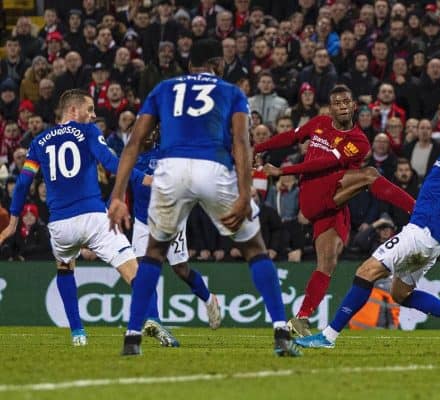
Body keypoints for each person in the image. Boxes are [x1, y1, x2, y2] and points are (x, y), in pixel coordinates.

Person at [108, 39, 301, 357]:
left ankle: (132, 339)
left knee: (153, 254)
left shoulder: (164, 88)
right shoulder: (231, 91)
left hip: (170, 169)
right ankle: (281, 332)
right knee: (255, 249)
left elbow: (133, 144)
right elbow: (241, 142)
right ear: (219, 65)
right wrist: (244, 192)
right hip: (213, 166)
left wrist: (117, 196)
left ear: (188, 66)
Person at [295, 98, 440, 350]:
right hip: (432, 237)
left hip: (422, 231)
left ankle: (328, 336)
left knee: (366, 272)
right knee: (400, 294)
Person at [0, 89, 175, 347]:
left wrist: (13, 222)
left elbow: (24, 183)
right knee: (134, 271)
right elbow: (112, 163)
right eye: (90, 109)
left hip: (59, 225)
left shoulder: (39, 142)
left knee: (64, 267)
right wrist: (148, 179)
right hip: (94, 217)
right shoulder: (89, 132)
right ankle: (152, 319)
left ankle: (78, 334)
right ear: (73, 110)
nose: (93, 115)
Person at [255, 84, 415, 337]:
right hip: (313, 192)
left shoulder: (359, 142)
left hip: (331, 200)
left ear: (353, 106)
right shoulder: (319, 123)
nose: (341, 106)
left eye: (346, 102)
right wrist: (258, 148)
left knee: (327, 263)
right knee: (371, 175)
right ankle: (418, 211)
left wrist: (282, 170)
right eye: (337, 103)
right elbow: (291, 137)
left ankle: (301, 318)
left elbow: (326, 162)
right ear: (331, 108)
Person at [130, 128, 222, 331]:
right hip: (142, 222)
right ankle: (154, 320)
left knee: (180, 269)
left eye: (150, 133)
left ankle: (208, 298)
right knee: (142, 269)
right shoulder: (131, 157)